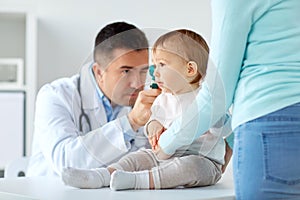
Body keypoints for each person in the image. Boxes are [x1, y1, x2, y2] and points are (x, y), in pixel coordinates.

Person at [153, 1, 300, 199]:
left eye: (162, 64)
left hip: (270, 120)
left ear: (191, 69)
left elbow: (217, 97)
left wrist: (164, 145)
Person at [61, 29, 232, 190]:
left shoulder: (206, 100)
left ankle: (136, 181)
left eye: (162, 65)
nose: (155, 73)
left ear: (190, 69)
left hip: (203, 162)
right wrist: (154, 126)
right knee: (138, 157)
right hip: (164, 158)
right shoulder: (164, 99)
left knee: (190, 166)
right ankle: (101, 176)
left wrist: (224, 156)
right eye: (154, 66)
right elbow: (152, 121)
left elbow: (230, 130)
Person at [27, 21, 161, 177]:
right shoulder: (55, 96)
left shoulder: (144, 102)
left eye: (143, 71)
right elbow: (66, 164)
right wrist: (130, 123)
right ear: (99, 72)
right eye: (126, 71)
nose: (137, 83)